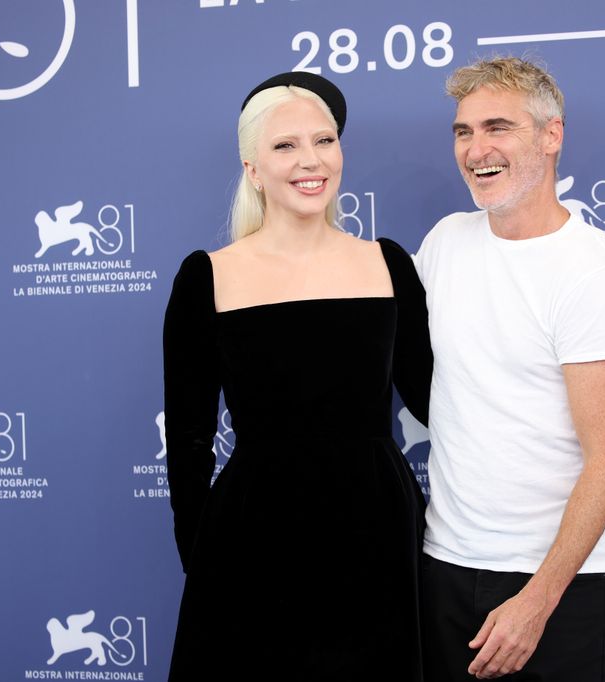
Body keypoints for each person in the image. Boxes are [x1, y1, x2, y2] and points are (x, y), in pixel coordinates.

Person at [163, 72, 431, 681]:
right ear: (253, 168)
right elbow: (188, 438)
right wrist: (199, 557)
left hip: (377, 534)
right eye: (285, 146)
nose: (311, 161)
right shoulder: (207, 277)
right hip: (253, 539)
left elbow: (438, 401)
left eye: (325, 140)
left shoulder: (388, 264)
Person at [416, 57, 605, 681]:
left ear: (552, 136)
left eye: (499, 128)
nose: (476, 149)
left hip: (559, 586)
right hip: (444, 563)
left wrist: (537, 601)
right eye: (463, 132)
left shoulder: (592, 275)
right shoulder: (445, 242)